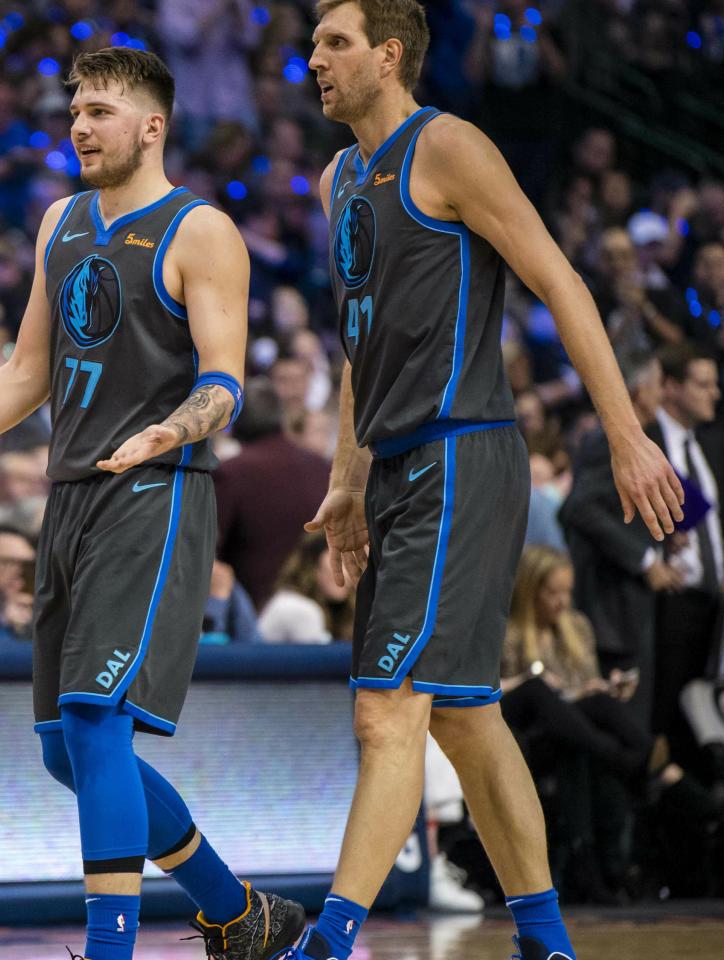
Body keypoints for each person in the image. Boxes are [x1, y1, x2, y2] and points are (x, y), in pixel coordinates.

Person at [0, 47, 304, 960]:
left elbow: (225, 386)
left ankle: (111, 949)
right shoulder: (60, 220)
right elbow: (24, 376)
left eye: (98, 111)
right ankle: (240, 914)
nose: (78, 126)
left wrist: (174, 431)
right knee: (66, 749)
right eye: (74, 111)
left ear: (152, 126)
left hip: (156, 493)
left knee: (95, 719)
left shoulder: (202, 230)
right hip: (70, 499)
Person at [294, 4, 686, 959]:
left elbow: (560, 280)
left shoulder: (452, 147)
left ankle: (331, 942)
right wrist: (347, 481)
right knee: (466, 720)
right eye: (312, 43)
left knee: (386, 709)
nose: (313, 58)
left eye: (334, 41)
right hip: (394, 467)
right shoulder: (337, 178)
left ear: (388, 56)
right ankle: (547, 944)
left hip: (463, 451)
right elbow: (361, 347)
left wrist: (626, 433)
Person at [498, 547, 722, 902]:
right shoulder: (506, 633)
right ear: (530, 590)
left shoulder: (575, 627)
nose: (562, 602)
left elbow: (581, 690)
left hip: (573, 733)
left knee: (595, 711)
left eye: (567, 592)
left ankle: (602, 867)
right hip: (527, 734)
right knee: (540, 692)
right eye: (553, 593)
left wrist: (602, 685)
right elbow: (496, 694)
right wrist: (530, 677)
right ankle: (655, 767)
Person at [646, 343, 724, 740]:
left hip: (716, 603)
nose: (715, 393)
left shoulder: (714, 443)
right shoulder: (645, 438)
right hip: (666, 603)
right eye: (703, 384)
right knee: (665, 715)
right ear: (671, 387)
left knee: (703, 722)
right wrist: (651, 557)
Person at [559, 354, 670, 729]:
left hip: (629, 607)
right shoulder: (607, 440)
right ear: (639, 391)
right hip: (610, 609)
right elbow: (579, 508)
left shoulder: (639, 438)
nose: (663, 393)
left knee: (636, 724)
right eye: (658, 385)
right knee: (622, 727)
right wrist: (645, 560)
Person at [214, 377, 330, 610]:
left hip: (254, 619)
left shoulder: (232, 472)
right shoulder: (322, 467)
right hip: (325, 611)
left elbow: (211, 553)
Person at [259, 532, 354, 643]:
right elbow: (323, 658)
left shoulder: (339, 611)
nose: (347, 574)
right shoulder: (297, 608)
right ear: (313, 565)